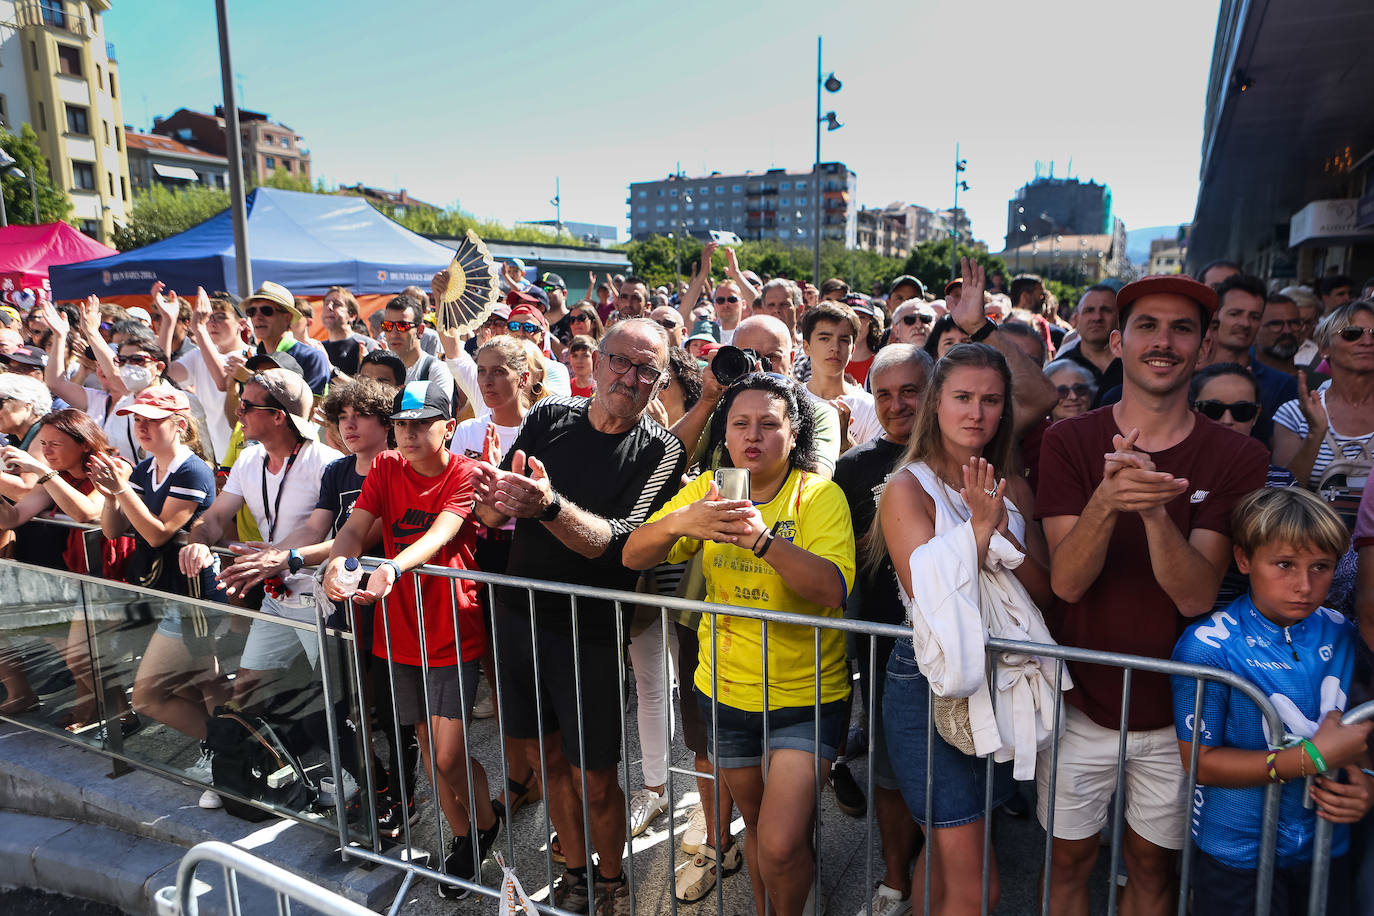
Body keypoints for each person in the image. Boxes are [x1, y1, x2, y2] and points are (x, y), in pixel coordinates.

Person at [1036, 274, 1269, 916]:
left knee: (1151, 866)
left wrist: (1157, 514)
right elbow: (1067, 582)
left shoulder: (1237, 455)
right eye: (1147, 326)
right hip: (1080, 698)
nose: (1163, 342)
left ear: (1205, 345)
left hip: (1180, 710)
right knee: (1069, 864)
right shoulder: (1069, 441)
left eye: (1182, 329)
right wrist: (1108, 502)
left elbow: (1197, 596)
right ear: (1117, 340)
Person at [470, 318, 686, 913]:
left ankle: (610, 881)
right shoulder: (547, 418)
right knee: (546, 758)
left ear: (659, 379)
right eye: (620, 361)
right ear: (596, 360)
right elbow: (497, 510)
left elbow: (611, 544)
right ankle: (573, 871)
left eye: (647, 369)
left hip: (589, 627)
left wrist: (547, 506)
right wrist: (491, 496)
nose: (630, 377)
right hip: (518, 613)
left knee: (595, 774)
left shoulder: (663, 450)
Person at [625, 372, 855, 916]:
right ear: (724, 434)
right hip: (725, 692)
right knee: (758, 827)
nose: (753, 436)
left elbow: (832, 590)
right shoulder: (712, 487)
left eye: (769, 424)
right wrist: (685, 519)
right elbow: (635, 555)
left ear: (793, 434)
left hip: (806, 697)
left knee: (778, 842)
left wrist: (761, 540)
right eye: (740, 424)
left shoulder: (818, 494)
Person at [872, 342, 1056, 916]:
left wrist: (1006, 537)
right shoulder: (907, 488)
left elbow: (1047, 594)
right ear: (936, 403)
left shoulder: (1016, 486)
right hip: (933, 686)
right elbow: (930, 594)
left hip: (1002, 683)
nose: (976, 412)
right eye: (962, 398)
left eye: (991, 400)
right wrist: (978, 530)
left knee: (947, 858)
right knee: (980, 888)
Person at [323, 379, 497, 900]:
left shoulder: (464, 471)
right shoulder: (384, 467)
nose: (410, 432)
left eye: (422, 422)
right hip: (398, 629)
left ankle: (482, 825)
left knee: (447, 756)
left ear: (447, 424)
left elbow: (442, 531)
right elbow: (356, 527)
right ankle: (466, 838)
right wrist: (339, 561)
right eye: (402, 423)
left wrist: (392, 567)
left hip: (450, 626)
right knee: (425, 747)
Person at [1172, 488, 1374, 915]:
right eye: (1284, 564)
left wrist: (1365, 781)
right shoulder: (1209, 646)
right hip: (1235, 853)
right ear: (1244, 560)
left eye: (1321, 567)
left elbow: (1356, 731)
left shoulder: (1343, 633)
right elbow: (1200, 762)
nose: (1304, 585)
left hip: (1324, 844)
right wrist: (1313, 758)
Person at [833, 344, 934, 916]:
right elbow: (844, 557)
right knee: (892, 771)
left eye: (911, 390)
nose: (897, 405)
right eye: (885, 393)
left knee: (957, 769)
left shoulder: (963, 455)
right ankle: (897, 875)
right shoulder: (854, 467)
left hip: (958, 643)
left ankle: (945, 867)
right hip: (884, 640)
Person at [90, 386, 226, 805]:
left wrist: (123, 488)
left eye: (152, 419)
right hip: (164, 593)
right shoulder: (145, 469)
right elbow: (112, 531)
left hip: (192, 595)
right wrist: (115, 488)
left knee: (150, 696)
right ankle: (226, 753)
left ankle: (229, 751)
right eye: (137, 419)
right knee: (202, 682)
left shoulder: (192, 471)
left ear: (180, 425)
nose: (142, 426)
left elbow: (155, 532)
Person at [177, 369, 343, 709]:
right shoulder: (249, 458)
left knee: (340, 699)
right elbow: (216, 515)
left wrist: (279, 557)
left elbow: (342, 537)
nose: (238, 412)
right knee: (246, 691)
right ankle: (258, 759)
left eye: (247, 405)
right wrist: (198, 539)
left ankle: (361, 761)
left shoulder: (327, 462)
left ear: (278, 416)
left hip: (322, 601)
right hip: (277, 595)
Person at [1272, 299, 1374, 527]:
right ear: (1324, 348)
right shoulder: (1295, 413)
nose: (1367, 341)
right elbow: (1280, 498)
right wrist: (1315, 434)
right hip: (1311, 549)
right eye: (1352, 333)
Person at [800, 300, 882, 450]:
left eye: (844, 340)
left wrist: (846, 442)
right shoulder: (790, 402)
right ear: (806, 347)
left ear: (852, 350)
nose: (835, 348)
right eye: (824, 338)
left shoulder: (871, 407)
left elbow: (874, 471)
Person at [241, 282, 330, 396]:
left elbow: (309, 409)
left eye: (266, 310)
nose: (257, 317)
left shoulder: (312, 357)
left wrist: (252, 380)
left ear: (288, 318)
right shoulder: (253, 358)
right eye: (251, 312)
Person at [381, 293, 456, 405]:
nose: (393, 333)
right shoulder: (381, 369)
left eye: (402, 326)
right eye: (387, 326)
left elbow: (439, 412)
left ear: (420, 330)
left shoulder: (436, 370)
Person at [1059, 285, 1122, 406]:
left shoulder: (1136, 366)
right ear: (1076, 320)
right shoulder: (1060, 369)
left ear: (1120, 318)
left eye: (1106, 310)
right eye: (1089, 310)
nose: (1097, 317)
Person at [320, 286, 378, 379]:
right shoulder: (320, 348)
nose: (329, 307)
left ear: (352, 315)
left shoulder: (366, 345)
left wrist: (332, 370)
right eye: (326, 304)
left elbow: (370, 388)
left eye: (337, 304)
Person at [1043, 359, 1097, 423]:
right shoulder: (1041, 432)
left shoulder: (1105, 429)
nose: (1074, 397)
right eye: (1062, 391)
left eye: (1079, 389)